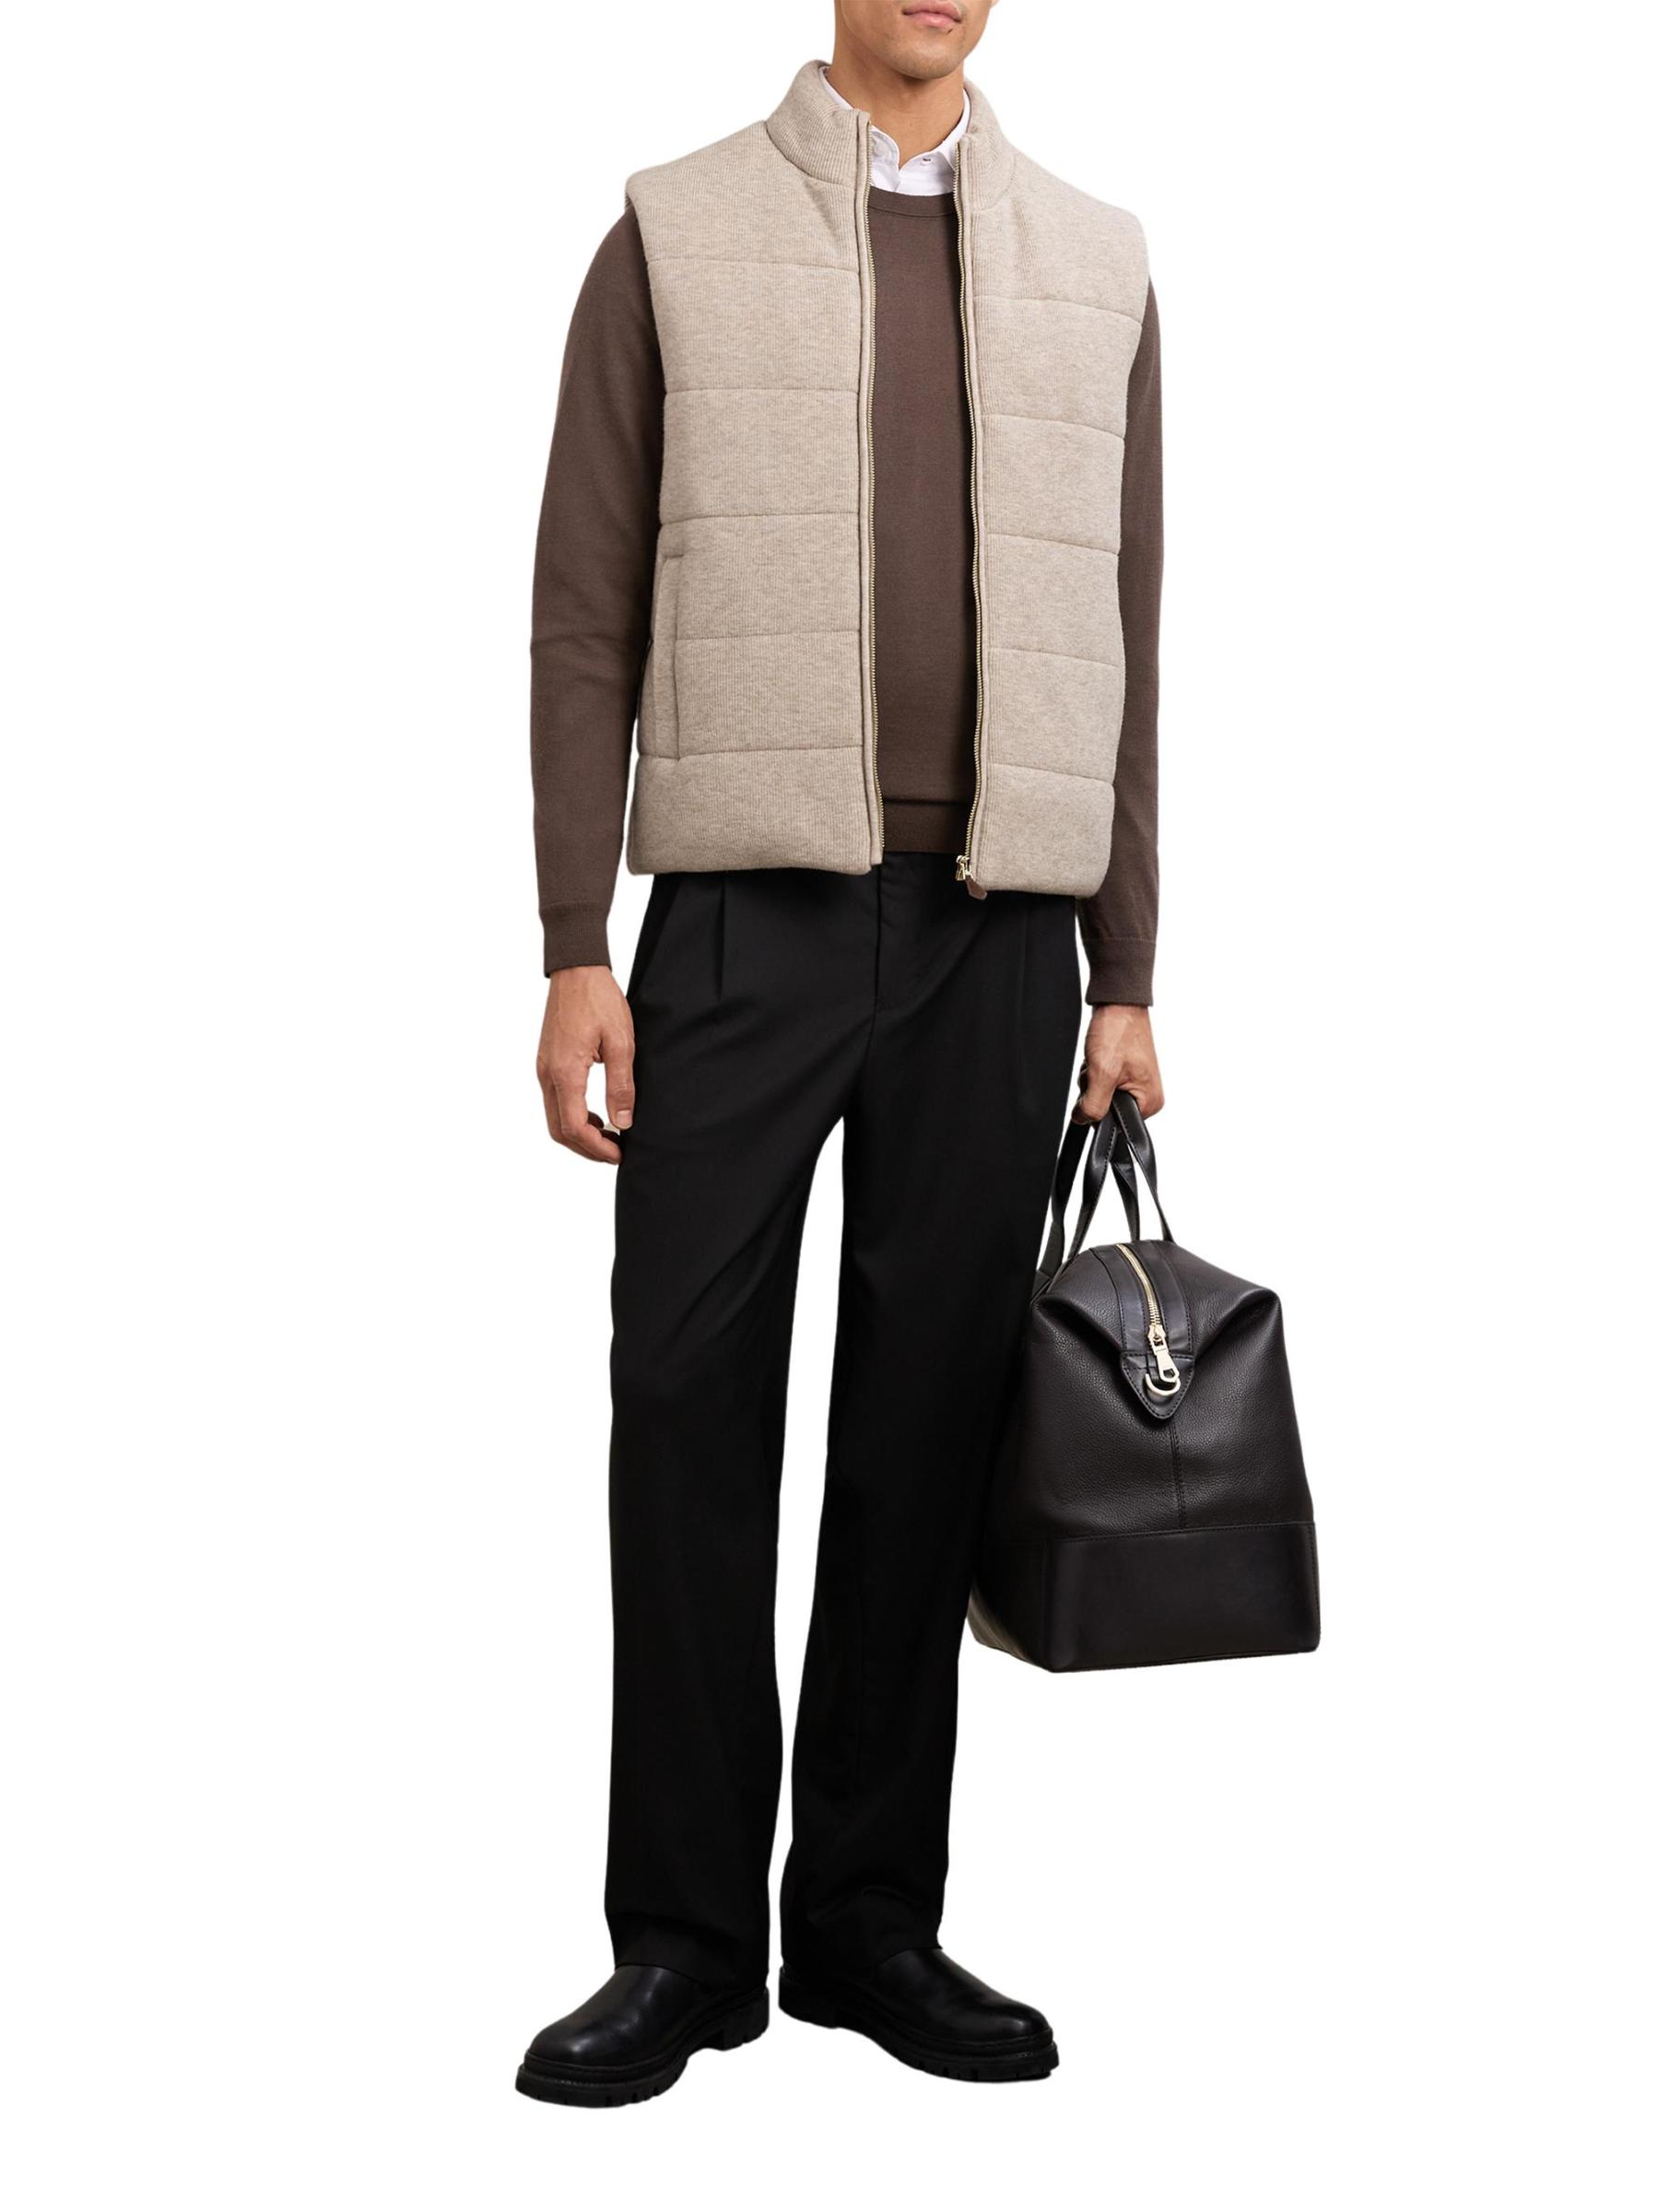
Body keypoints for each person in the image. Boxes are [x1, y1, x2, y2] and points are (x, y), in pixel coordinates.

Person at [517, 0, 1164, 2106]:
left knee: (929, 1430)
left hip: (1002, 935)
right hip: (739, 920)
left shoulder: (1097, 260)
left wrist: (1128, 972)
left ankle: (870, 1920)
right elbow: (584, 610)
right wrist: (573, 941)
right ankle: (684, 1944)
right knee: (683, 1408)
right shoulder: (673, 232)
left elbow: (1124, 635)